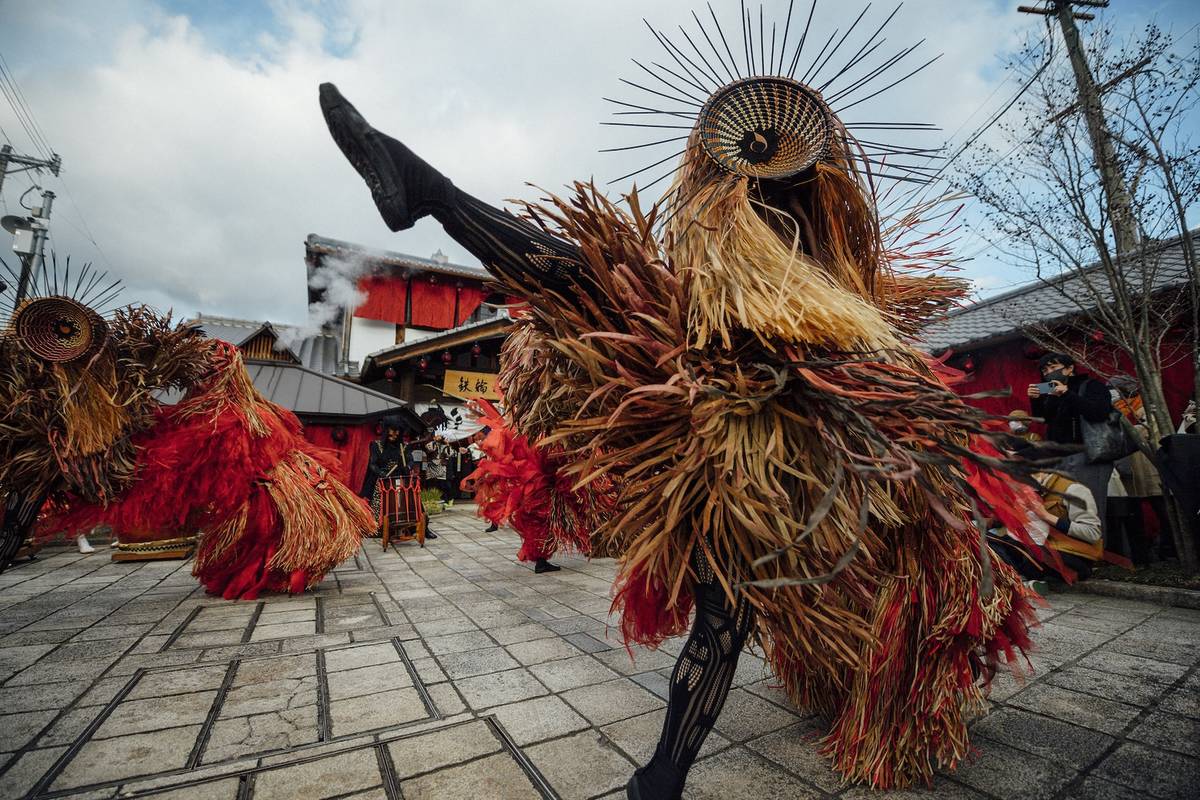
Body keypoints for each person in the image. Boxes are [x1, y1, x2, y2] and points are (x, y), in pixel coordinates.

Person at [319, 21, 1038, 792]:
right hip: (731, 428)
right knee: (598, 286)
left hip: (789, 445)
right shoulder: (735, 258)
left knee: (728, 614)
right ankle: (660, 778)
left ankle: (434, 193)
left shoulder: (825, 274)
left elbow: (858, 352)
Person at [1027, 352, 1115, 529]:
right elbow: (1044, 420)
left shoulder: (1090, 386)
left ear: (1069, 369)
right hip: (1059, 458)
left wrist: (1067, 393)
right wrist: (1036, 400)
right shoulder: (1050, 392)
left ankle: (1098, 546)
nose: (1048, 373)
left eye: (1053, 367)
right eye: (1045, 370)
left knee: (1090, 510)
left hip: (1087, 455)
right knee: (1064, 509)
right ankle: (1074, 546)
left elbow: (1099, 413)